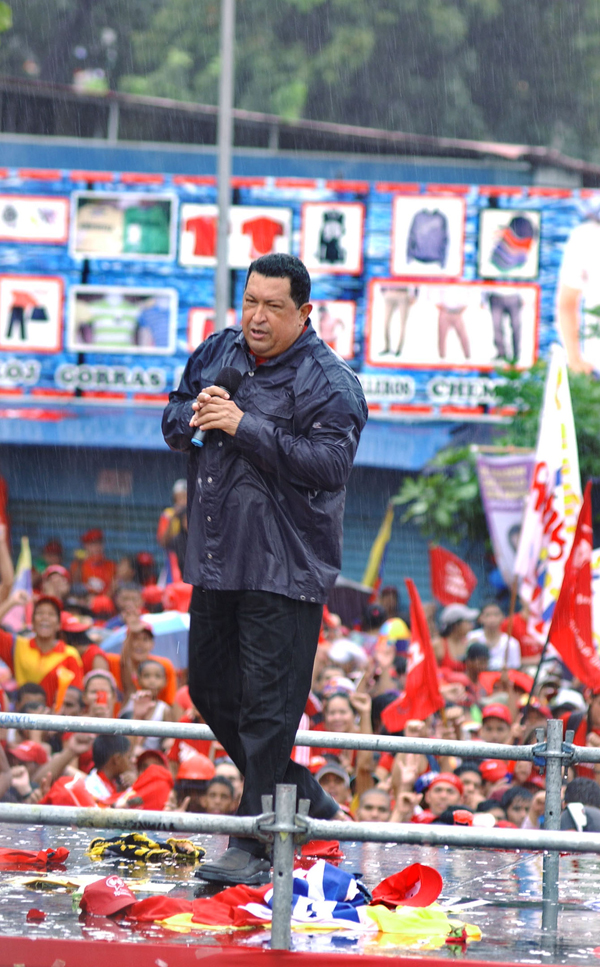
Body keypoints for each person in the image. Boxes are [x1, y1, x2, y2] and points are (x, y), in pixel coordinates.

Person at [162, 252, 367, 885]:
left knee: (268, 712)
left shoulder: (331, 382)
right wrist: (197, 414)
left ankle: (250, 845)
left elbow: (330, 464)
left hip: (286, 568)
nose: (256, 316)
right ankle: (300, 793)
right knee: (209, 691)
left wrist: (245, 425)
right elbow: (171, 422)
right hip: (216, 559)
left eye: (273, 306)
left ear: (304, 313)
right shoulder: (216, 352)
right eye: (250, 301)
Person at [0, 596, 83, 705]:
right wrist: (12, 602)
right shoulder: (17, 646)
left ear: (59, 625)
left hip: (54, 719)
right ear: (32, 622)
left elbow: (75, 696)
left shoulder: (70, 654)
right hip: (22, 717)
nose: (45, 617)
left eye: (51, 614)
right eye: (39, 613)